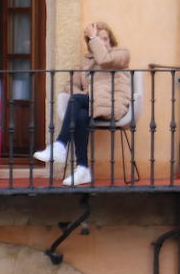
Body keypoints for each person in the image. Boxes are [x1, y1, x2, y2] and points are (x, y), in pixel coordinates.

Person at [35, 21, 131, 186]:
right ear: (91, 44)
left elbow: (104, 59)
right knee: (79, 115)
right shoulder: (86, 62)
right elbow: (70, 84)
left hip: (113, 104)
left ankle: (60, 145)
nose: (102, 43)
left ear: (111, 40)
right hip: (92, 104)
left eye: (105, 39)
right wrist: (81, 94)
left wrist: (93, 37)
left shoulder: (120, 54)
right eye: (98, 40)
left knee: (77, 102)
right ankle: (83, 168)